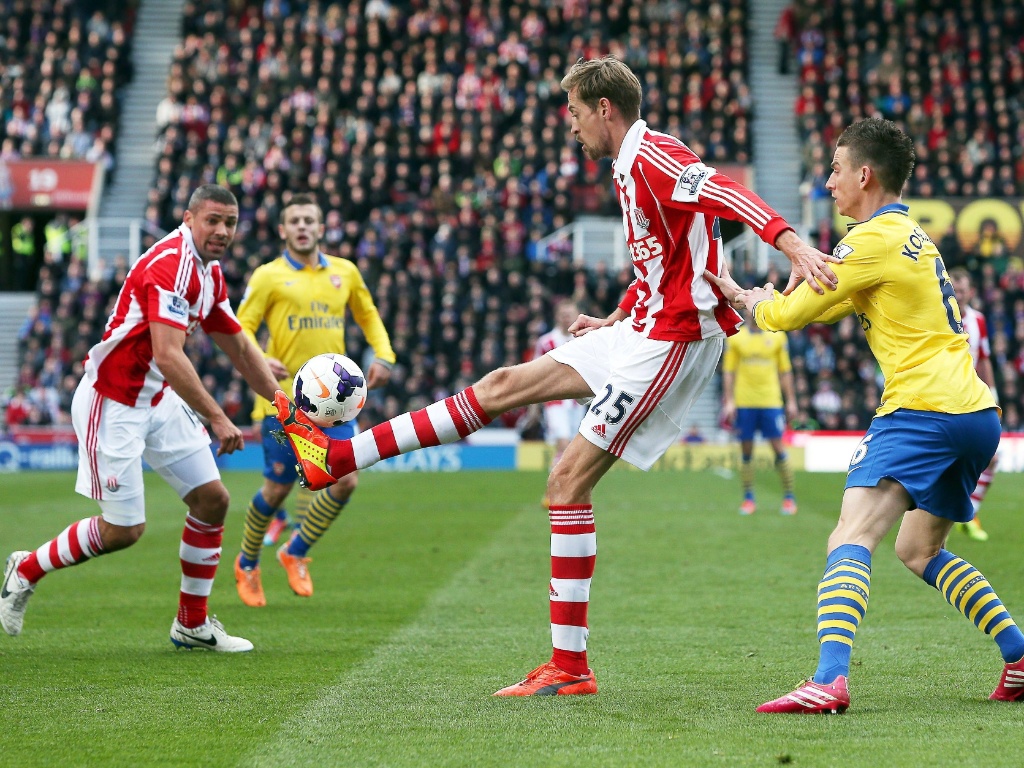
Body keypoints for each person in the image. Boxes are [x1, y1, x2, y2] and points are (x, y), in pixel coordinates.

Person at [273, 57, 836, 696]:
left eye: (573, 113)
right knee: (500, 385)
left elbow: (727, 191)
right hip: (638, 327)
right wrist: (620, 313)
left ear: (604, 109)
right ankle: (336, 457)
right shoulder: (630, 167)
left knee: (564, 486)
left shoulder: (655, 155)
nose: (570, 128)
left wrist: (792, 243)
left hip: (670, 343)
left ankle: (570, 668)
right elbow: (664, 257)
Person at [708, 118, 1024, 713]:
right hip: (975, 412)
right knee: (919, 550)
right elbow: (828, 303)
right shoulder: (908, 238)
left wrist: (748, 298)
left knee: (851, 533)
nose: (827, 182)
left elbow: (793, 314)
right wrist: (773, 297)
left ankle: (829, 680)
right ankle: (1020, 655)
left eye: (834, 169)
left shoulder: (868, 240)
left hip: (922, 409)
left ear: (864, 174)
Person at [0, 185, 281, 651]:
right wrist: (216, 416)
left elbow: (236, 345)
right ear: (189, 218)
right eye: (212, 220)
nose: (222, 231)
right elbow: (169, 356)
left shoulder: (209, 273)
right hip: (113, 403)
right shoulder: (168, 265)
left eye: (229, 223)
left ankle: (191, 624)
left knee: (213, 500)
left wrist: (285, 408)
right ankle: (26, 568)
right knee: (123, 531)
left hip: (157, 399)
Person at [232, 193, 395, 607]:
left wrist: (384, 354)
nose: (303, 226)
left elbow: (369, 314)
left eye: (310, 220)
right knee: (277, 489)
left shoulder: (345, 272)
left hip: (336, 405)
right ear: (283, 230)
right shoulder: (268, 276)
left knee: (347, 481)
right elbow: (238, 327)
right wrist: (259, 357)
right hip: (282, 402)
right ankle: (247, 563)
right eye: (295, 221)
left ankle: (296, 551)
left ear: (322, 228)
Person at [721, 310, 798, 515]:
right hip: (744, 401)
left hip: (771, 400)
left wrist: (791, 400)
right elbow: (729, 371)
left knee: (778, 448)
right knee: (746, 451)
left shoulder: (778, 336)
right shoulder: (736, 338)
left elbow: (785, 371)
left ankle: (789, 497)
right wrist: (729, 400)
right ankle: (748, 499)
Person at [950, 267, 997, 543]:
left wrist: (992, 393)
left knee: (992, 457)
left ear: (971, 292)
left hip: (974, 397)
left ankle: (970, 513)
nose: (959, 292)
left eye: (963, 287)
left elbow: (984, 358)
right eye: (954, 287)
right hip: (946, 398)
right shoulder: (941, 316)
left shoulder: (978, 321)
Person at [533, 298, 587, 507]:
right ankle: (552, 494)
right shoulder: (546, 342)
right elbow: (534, 372)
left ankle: (566, 492)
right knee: (563, 444)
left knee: (572, 449)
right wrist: (534, 405)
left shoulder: (583, 339)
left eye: (570, 314)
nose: (567, 318)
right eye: (563, 314)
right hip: (554, 402)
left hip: (578, 402)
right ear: (557, 316)